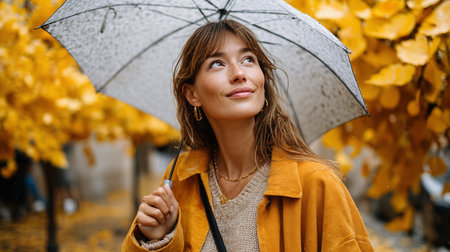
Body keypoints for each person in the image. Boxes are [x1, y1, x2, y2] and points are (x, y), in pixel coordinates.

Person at [122, 19, 374, 251]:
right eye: (217, 63)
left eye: (248, 60)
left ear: (262, 80)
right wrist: (158, 240)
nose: (239, 73)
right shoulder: (180, 179)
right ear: (192, 94)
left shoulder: (316, 184)